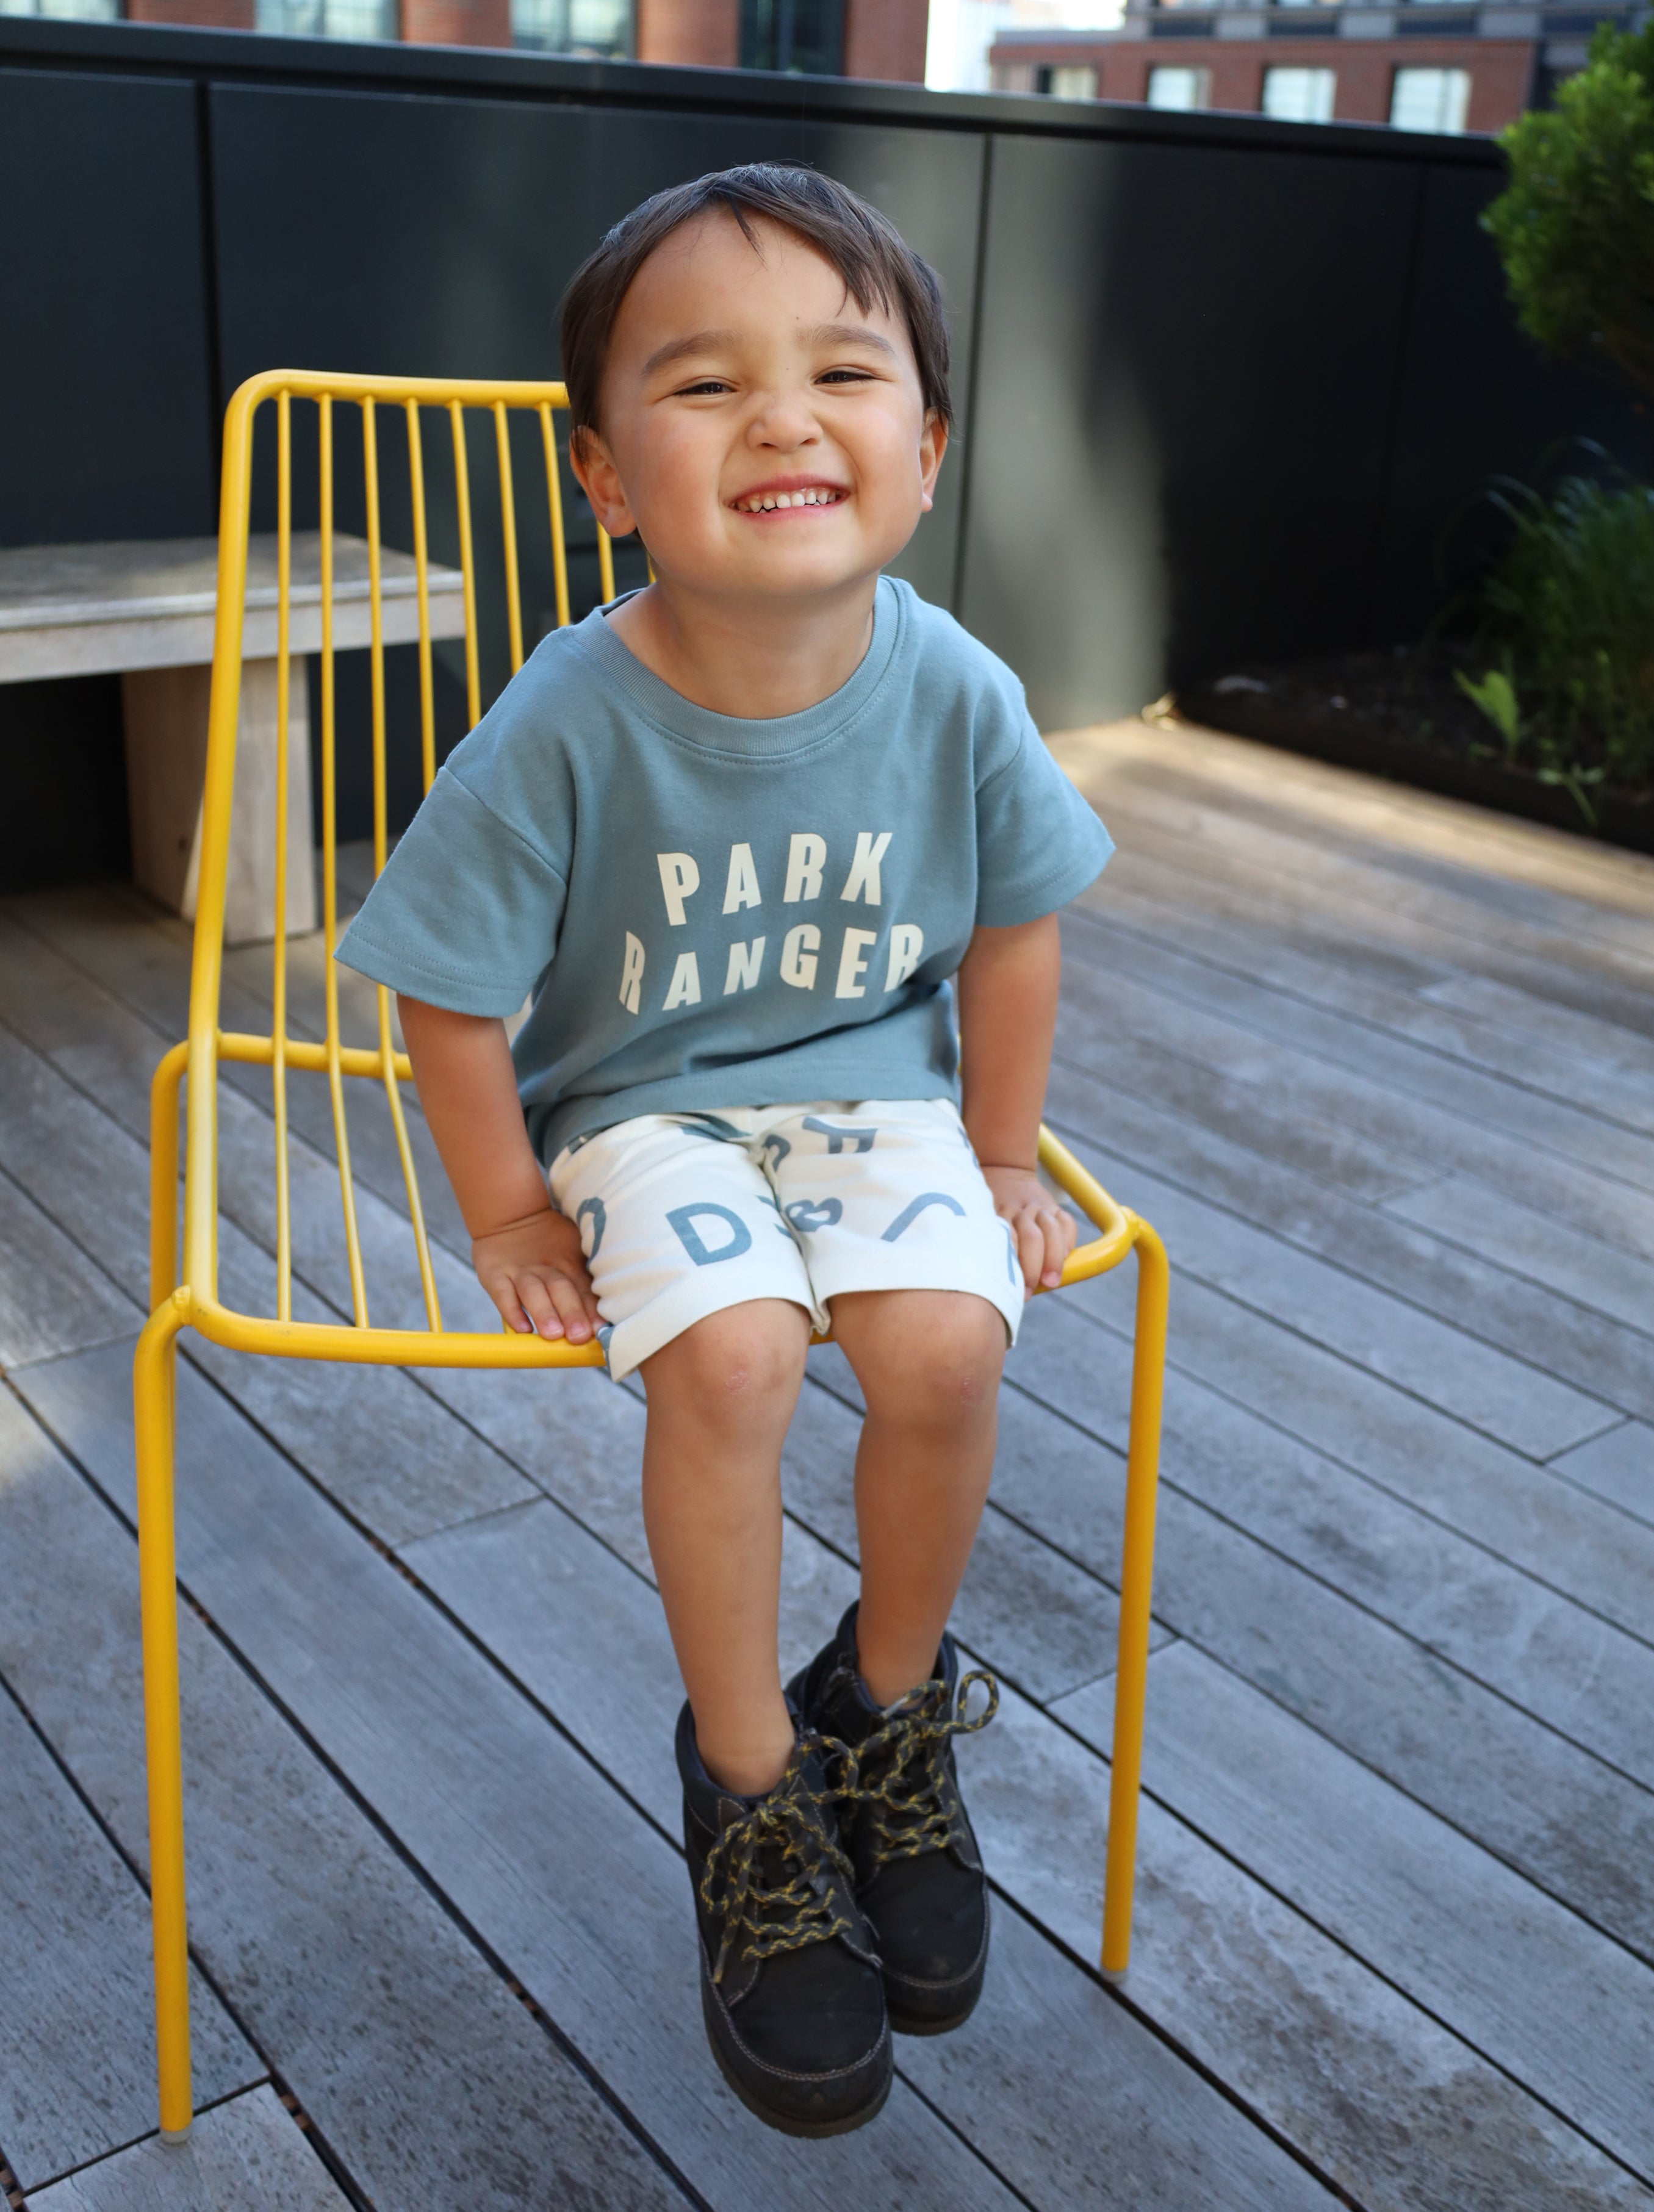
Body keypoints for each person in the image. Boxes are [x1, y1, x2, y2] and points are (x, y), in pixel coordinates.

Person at [337, 163, 1113, 2138]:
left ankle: (881, 1708)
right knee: (741, 1351)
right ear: (604, 476)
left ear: (923, 453)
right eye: (703, 387)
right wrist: (507, 1197)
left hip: (884, 1093)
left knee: (947, 1339)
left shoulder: (953, 685)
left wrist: (1003, 1149)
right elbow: (441, 975)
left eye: (842, 371)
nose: (780, 416)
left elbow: (1021, 916)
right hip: (648, 1105)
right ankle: (754, 1790)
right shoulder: (569, 717)